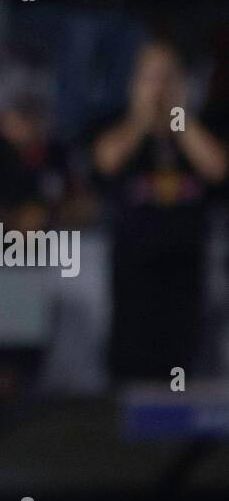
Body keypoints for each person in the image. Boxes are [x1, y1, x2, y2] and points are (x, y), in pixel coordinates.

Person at [91, 39, 227, 381]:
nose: (160, 87)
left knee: (186, 371)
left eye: (167, 76)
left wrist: (179, 116)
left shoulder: (200, 128)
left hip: (187, 272)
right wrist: (141, 118)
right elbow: (106, 161)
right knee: (133, 375)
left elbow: (217, 168)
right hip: (134, 275)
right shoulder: (119, 129)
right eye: (150, 77)